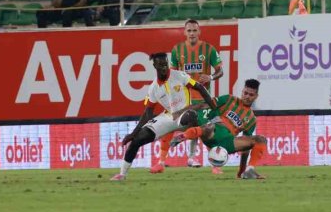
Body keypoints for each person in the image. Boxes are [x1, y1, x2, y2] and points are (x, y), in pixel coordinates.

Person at [111, 53, 217, 181]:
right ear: (155, 66)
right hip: (168, 117)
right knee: (136, 141)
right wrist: (134, 133)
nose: (164, 67)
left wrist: (213, 108)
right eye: (160, 65)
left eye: (165, 64)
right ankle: (122, 174)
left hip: (186, 113)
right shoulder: (153, 88)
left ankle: (193, 149)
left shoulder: (179, 75)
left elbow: (199, 87)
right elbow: (148, 112)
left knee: (191, 115)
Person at [170, 80, 269, 180]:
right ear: (242, 91)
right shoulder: (229, 99)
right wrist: (180, 112)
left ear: (256, 96)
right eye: (245, 93)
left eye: (251, 95)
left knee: (261, 139)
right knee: (209, 126)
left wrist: (241, 171)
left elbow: (246, 149)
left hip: (228, 141)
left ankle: (249, 171)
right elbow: (204, 104)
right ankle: (183, 136)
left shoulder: (252, 119)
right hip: (213, 132)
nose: (247, 96)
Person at [168, 20, 224, 170]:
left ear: (199, 32)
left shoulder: (209, 49)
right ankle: (165, 160)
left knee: (204, 128)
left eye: (194, 30)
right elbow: (172, 74)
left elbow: (220, 71)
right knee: (191, 126)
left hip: (203, 98)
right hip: (184, 99)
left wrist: (211, 77)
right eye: (189, 31)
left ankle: (204, 161)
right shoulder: (177, 50)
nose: (192, 33)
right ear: (184, 32)